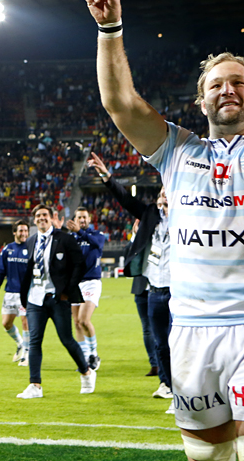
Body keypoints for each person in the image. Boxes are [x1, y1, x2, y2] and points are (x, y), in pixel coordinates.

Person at [85, 0, 244, 460]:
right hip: (190, 329)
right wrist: (110, 30)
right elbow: (118, 102)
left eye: (238, 83)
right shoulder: (176, 150)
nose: (226, 90)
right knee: (208, 458)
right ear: (200, 99)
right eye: (215, 84)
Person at [89, 153, 172, 403]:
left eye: (168, 193)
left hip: (182, 290)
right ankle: (167, 384)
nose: (164, 197)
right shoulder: (149, 215)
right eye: (161, 194)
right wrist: (106, 177)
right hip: (156, 291)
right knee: (161, 343)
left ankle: (188, 387)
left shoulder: (188, 218)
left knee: (183, 341)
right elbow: (124, 199)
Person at [16, 205, 96, 399]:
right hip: (36, 299)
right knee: (34, 342)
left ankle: (86, 372)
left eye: (45, 215)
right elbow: (28, 271)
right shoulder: (32, 241)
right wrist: (23, 297)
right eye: (38, 216)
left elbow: (80, 264)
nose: (41, 218)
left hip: (58, 298)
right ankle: (35, 385)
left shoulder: (65, 239)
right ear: (34, 220)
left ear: (52, 218)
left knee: (66, 339)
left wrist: (67, 290)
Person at [63, 206, 105, 370]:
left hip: (91, 282)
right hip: (75, 283)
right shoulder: (70, 237)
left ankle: (94, 354)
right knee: (76, 323)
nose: (82, 220)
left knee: (84, 320)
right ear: (74, 219)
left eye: (84, 217)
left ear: (89, 219)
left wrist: (80, 231)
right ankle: (86, 358)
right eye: (79, 217)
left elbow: (97, 245)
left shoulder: (97, 235)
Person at [0, 220, 31, 366]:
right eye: (20, 231)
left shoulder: (31, 248)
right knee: (6, 323)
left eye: (26, 231)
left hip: (25, 293)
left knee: (25, 322)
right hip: (10, 293)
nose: (24, 233)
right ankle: (20, 343)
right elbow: (1, 272)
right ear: (14, 232)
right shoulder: (7, 249)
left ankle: (26, 353)